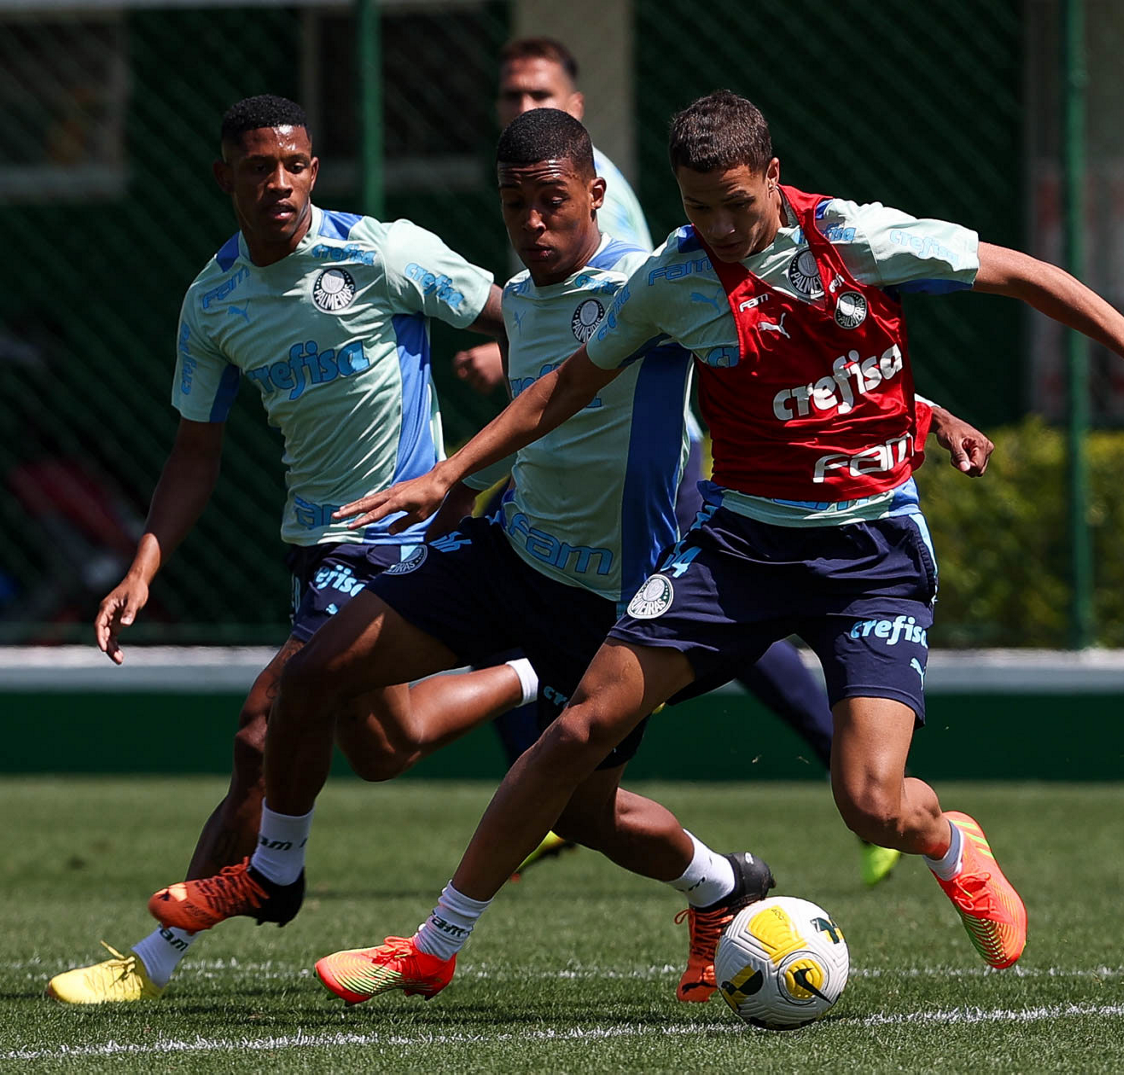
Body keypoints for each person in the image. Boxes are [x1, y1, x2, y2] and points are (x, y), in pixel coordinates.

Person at [306, 90, 1124, 1000]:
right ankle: (433, 949)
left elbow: (1025, 273)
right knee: (579, 727)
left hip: (872, 554)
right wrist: (453, 474)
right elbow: (566, 385)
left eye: (735, 203)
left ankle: (951, 843)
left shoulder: (857, 237)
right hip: (741, 549)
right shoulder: (673, 279)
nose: (719, 227)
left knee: (872, 803)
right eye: (696, 207)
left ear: (773, 174)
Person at [150, 108, 999, 1006]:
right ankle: (275, 871)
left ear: (595, 194)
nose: (532, 222)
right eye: (513, 203)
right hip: (510, 552)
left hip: (610, 598)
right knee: (314, 673)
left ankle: (722, 885)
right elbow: (538, 419)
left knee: (590, 813)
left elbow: (803, 359)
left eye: (550, 200)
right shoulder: (520, 297)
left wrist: (925, 411)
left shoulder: (656, 281)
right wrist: (458, 491)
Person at [45, 94, 525, 1004]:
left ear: (314, 170)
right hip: (316, 546)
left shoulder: (382, 252)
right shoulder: (213, 301)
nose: (279, 182)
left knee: (261, 727)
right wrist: (144, 563)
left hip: (402, 537)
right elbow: (195, 453)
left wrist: (490, 417)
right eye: (258, 167)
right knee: (385, 745)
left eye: (294, 164)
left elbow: (522, 318)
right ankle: (535, 669)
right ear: (224, 176)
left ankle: (158, 953)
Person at [460, 36, 904, 888]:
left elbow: (632, 316)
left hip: (657, 458)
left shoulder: (608, 205)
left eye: (539, 94)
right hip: (582, 453)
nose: (522, 109)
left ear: (577, 109)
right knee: (552, 610)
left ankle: (856, 787)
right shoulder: (534, 189)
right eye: (510, 96)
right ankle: (551, 786)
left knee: (725, 631)